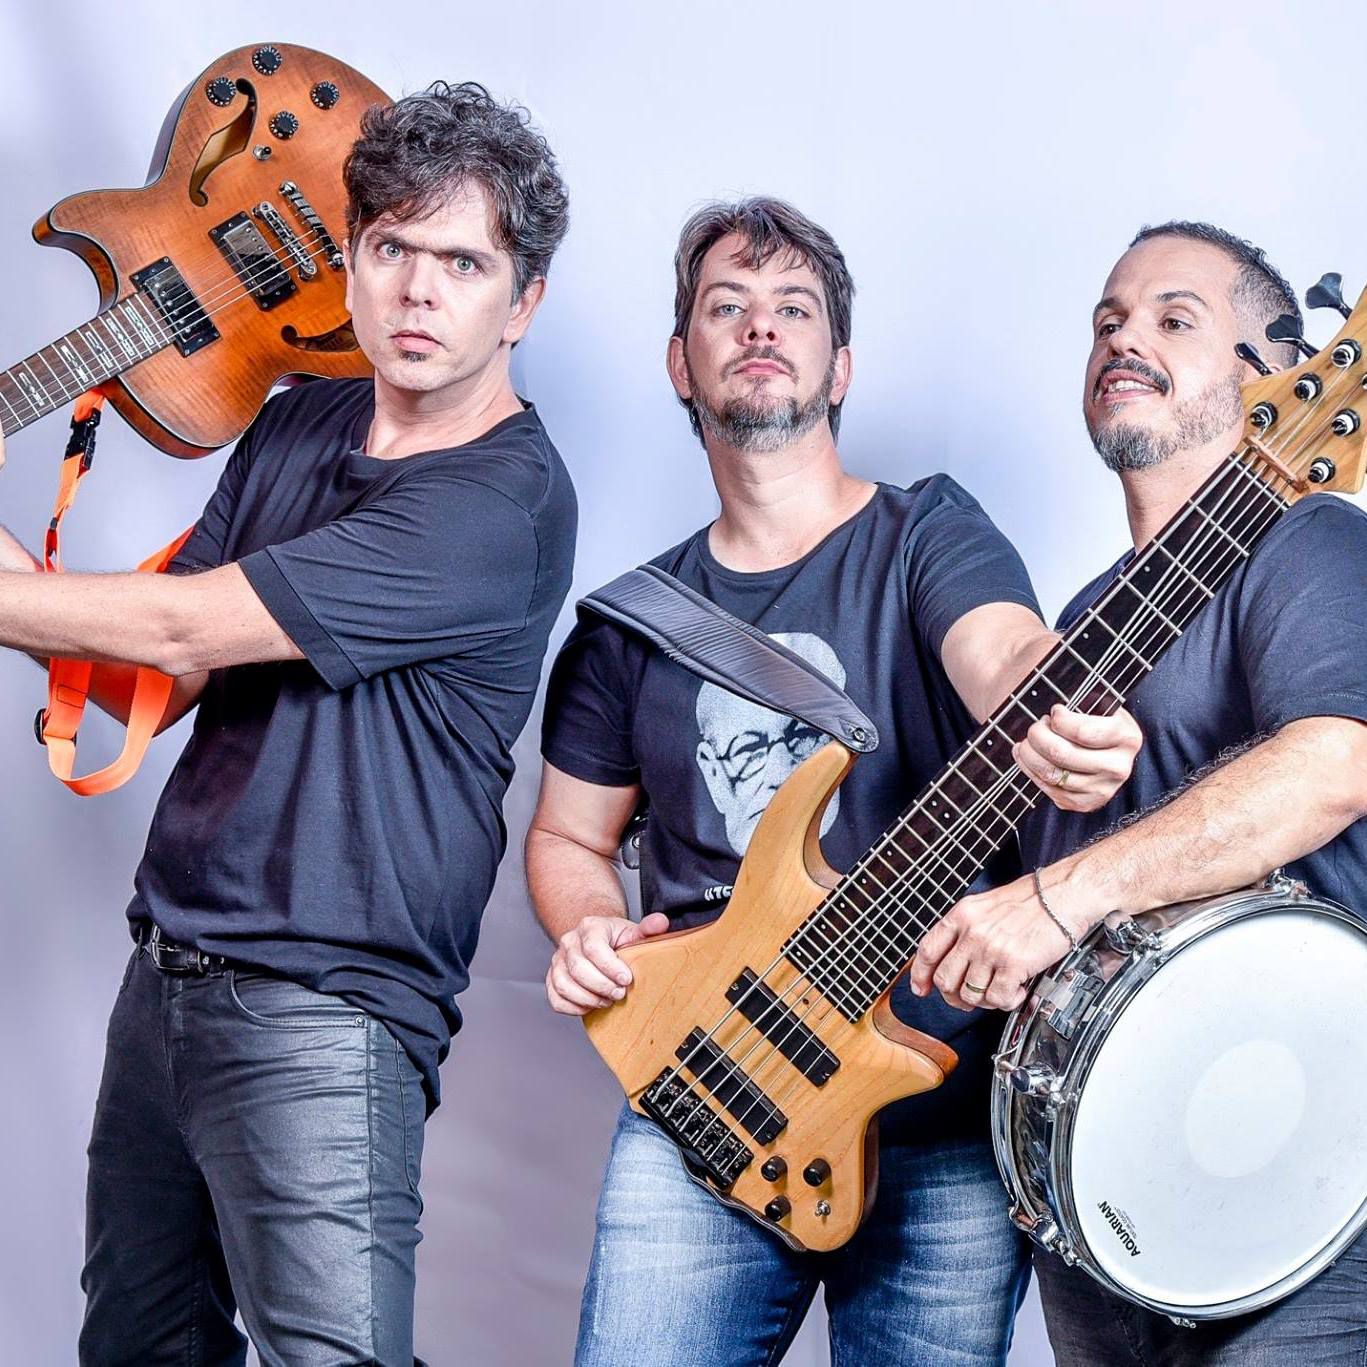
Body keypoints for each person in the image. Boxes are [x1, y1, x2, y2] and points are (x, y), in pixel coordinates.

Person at [0, 82, 575, 1365]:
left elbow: (186, 626)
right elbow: (159, 665)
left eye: (463, 263)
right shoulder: (299, 417)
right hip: (166, 972)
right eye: (394, 248)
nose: (419, 291)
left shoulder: (500, 503)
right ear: (352, 260)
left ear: (521, 302)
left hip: (325, 1012)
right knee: (138, 1349)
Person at [526, 196, 1141, 1366]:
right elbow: (565, 836)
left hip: (939, 1107)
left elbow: (1001, 655)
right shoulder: (628, 626)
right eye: (726, 306)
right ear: (680, 361)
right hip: (701, 1088)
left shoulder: (927, 532)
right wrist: (588, 927)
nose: (760, 326)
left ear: (839, 364)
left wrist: (1051, 700)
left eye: (792, 308)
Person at [911, 221, 1367, 1364]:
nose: (1122, 338)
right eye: (1106, 320)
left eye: (1173, 318)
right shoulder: (1087, 615)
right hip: (1102, 1187)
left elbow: (1336, 761)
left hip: (1299, 1165)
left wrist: (1053, 898)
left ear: (1271, 369)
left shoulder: (1308, 539)